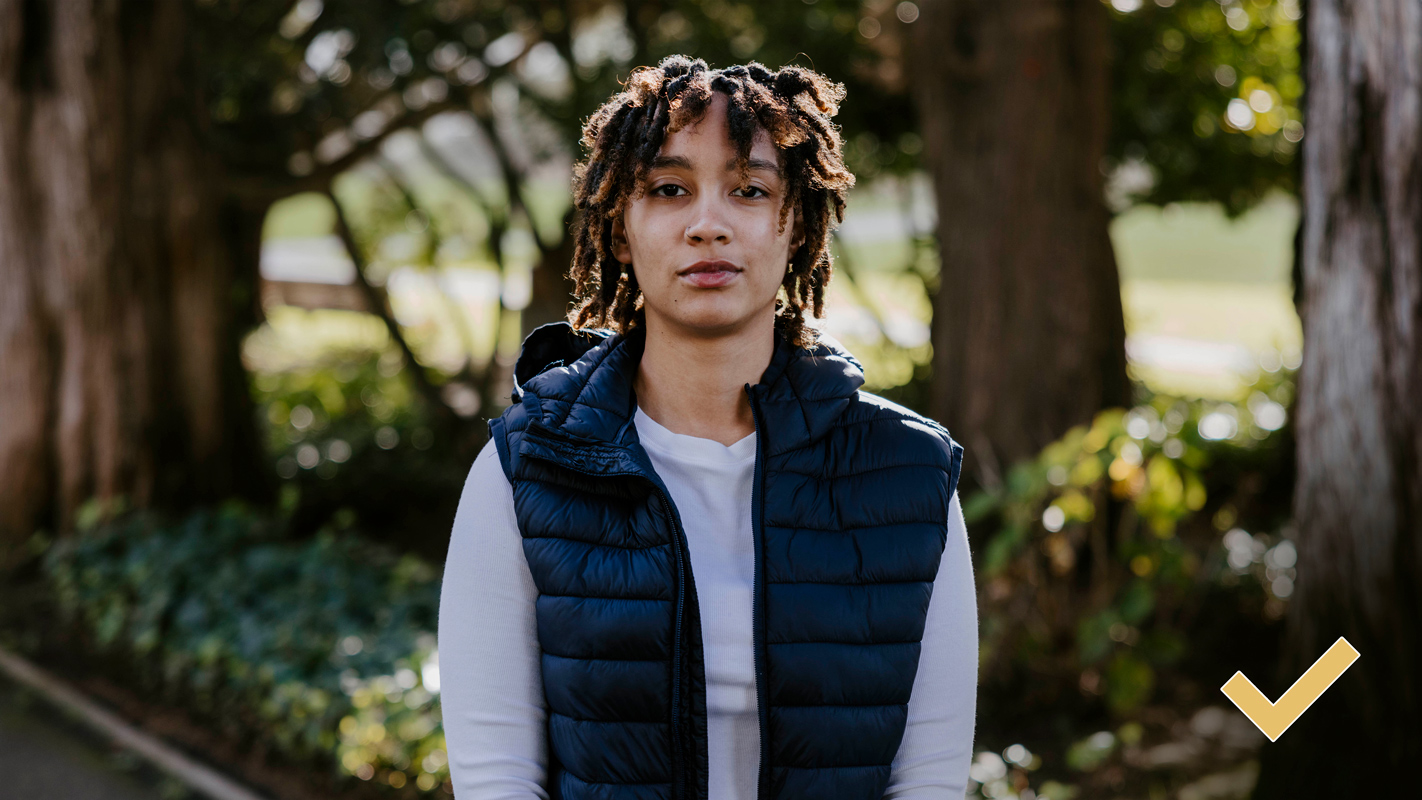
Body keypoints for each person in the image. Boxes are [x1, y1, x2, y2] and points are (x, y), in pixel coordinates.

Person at [438, 56, 977, 800]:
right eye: (669, 189)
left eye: (749, 191)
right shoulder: (525, 467)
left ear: (796, 225)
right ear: (620, 231)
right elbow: (498, 779)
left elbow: (928, 783)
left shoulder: (910, 473)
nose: (708, 225)